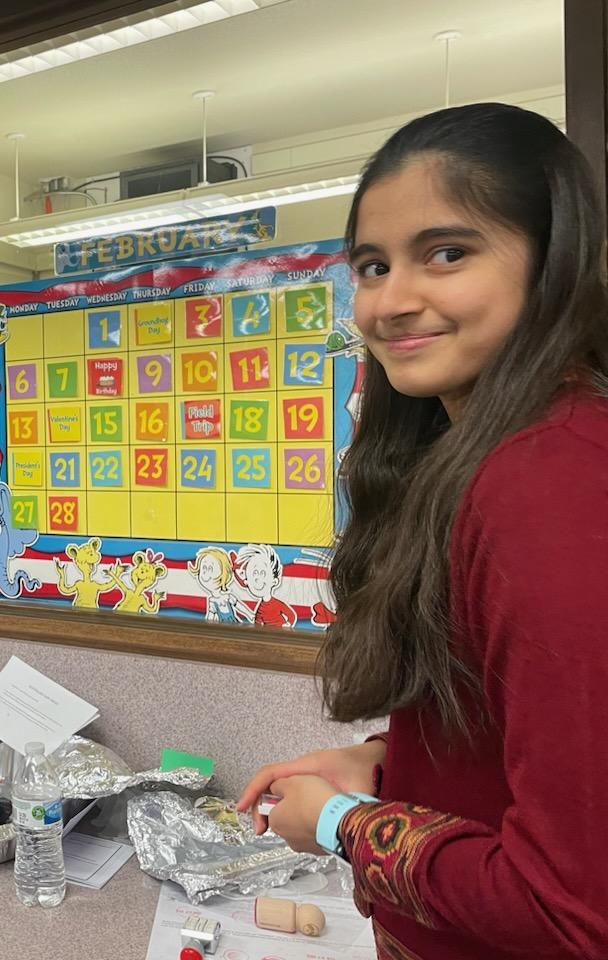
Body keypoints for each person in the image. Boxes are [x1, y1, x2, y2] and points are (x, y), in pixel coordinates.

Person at [236, 103, 608, 958]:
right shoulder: (474, 453)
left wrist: (343, 823)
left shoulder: (549, 480)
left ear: (551, 261)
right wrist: (387, 764)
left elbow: (572, 909)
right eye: (372, 266)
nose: (392, 303)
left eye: (447, 254)